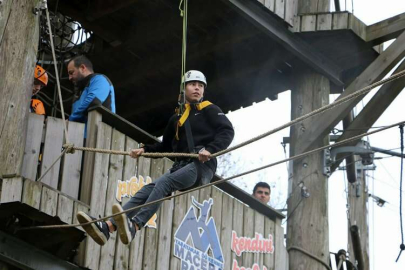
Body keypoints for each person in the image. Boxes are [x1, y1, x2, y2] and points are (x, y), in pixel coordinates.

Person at [77, 70, 234, 246]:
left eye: (200, 86)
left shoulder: (209, 109)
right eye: (192, 85)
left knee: (164, 184)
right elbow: (165, 147)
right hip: (182, 166)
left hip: (201, 167)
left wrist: (210, 149)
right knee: (145, 191)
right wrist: (144, 149)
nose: (197, 88)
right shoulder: (177, 119)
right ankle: (108, 227)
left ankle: (135, 225)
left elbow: (227, 131)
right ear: (183, 90)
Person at [67, 55, 116, 123]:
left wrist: (71, 119)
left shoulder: (100, 79)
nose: (69, 78)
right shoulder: (78, 93)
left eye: (71, 73)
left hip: (101, 131)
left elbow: (93, 101)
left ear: (82, 68)